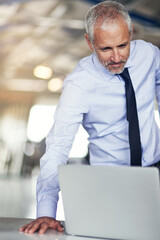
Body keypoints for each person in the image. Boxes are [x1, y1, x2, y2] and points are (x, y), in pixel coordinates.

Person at [19, 0, 160, 234]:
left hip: (155, 171)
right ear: (89, 42)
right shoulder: (79, 85)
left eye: (122, 45)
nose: (116, 57)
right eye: (106, 49)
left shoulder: (149, 54)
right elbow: (58, 146)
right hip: (109, 180)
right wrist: (46, 211)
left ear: (130, 32)